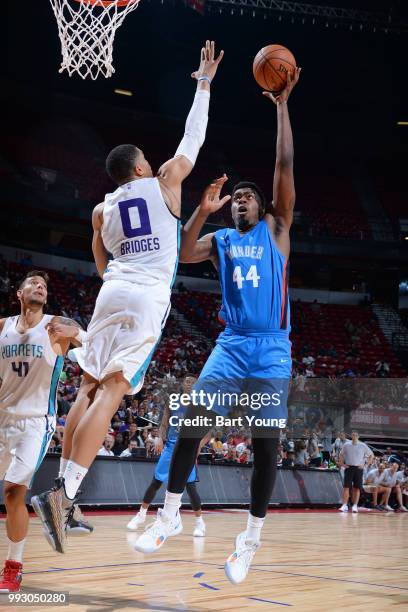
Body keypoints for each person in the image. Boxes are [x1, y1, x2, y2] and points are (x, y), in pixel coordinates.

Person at [31, 40, 224, 554]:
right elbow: (193, 138)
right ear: (140, 168)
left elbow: (99, 263)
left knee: (90, 386)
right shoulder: (164, 181)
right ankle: (64, 493)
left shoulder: (100, 210)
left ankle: (62, 496)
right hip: (146, 296)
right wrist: (203, 82)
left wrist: (120, 267)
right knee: (115, 390)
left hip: (112, 289)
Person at [134, 68, 301, 584]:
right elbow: (185, 253)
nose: (244, 199)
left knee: (268, 447)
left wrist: (280, 106)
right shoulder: (223, 242)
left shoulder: (277, 229)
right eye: (239, 196)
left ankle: (249, 540)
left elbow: (283, 162)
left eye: (251, 195)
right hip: (230, 347)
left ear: (265, 207)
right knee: (189, 427)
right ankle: (169, 516)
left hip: (271, 350)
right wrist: (202, 213)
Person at [0, 271, 90, 593]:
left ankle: (14, 567)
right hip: (2, 418)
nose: (39, 286)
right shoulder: (4, 327)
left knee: (13, 492)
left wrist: (80, 333)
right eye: (33, 283)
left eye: (44, 286)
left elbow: (94, 346)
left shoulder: (57, 325)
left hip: (36, 422)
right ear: (20, 294)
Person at [127, 375, 207, 538]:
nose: (189, 384)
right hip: (171, 446)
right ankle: (141, 515)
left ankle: (199, 522)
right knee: (156, 481)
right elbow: (164, 423)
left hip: (187, 448)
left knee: (191, 487)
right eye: (187, 381)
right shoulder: (173, 401)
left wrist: (199, 444)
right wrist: (159, 438)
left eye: (193, 382)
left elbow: (209, 430)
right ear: (182, 385)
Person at [338, 431, 373, 513]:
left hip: (358, 469)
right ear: (351, 436)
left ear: (358, 436)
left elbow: (371, 455)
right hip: (349, 468)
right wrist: (342, 464)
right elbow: (341, 454)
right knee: (346, 487)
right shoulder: (346, 445)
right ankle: (344, 505)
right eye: (353, 435)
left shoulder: (363, 445)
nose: (354, 436)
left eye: (356, 435)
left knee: (356, 488)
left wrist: (366, 465)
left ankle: (355, 506)